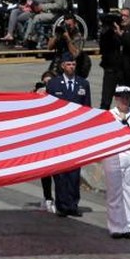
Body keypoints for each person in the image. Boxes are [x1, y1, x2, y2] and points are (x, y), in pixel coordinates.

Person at [46, 53, 91, 217]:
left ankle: (73, 204)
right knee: (60, 172)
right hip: (59, 134)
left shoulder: (83, 84)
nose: (72, 66)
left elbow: (87, 108)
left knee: (74, 171)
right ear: (63, 66)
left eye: (74, 64)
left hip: (76, 133)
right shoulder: (54, 84)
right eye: (69, 64)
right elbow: (49, 110)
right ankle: (61, 204)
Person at [103, 86, 130, 239]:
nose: (125, 100)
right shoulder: (109, 115)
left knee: (129, 194)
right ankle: (115, 226)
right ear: (116, 98)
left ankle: (127, 226)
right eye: (122, 97)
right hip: (114, 158)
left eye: (127, 97)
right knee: (114, 194)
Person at [32, 70, 57, 212]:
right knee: (45, 171)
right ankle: (48, 198)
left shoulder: (59, 93)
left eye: (50, 82)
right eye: (45, 82)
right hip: (43, 138)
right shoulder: (38, 94)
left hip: (56, 137)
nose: (47, 85)